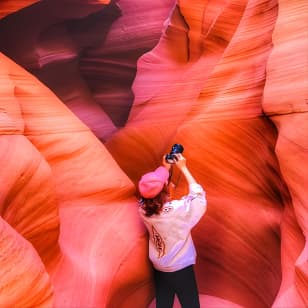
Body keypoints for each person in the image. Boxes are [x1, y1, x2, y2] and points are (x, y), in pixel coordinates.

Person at [138, 152, 207, 308]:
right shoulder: (177, 211)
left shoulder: (142, 209)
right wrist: (184, 168)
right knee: (191, 305)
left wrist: (165, 168)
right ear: (165, 191)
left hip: (160, 267)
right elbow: (199, 198)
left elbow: (151, 195)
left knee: (163, 303)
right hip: (181, 268)